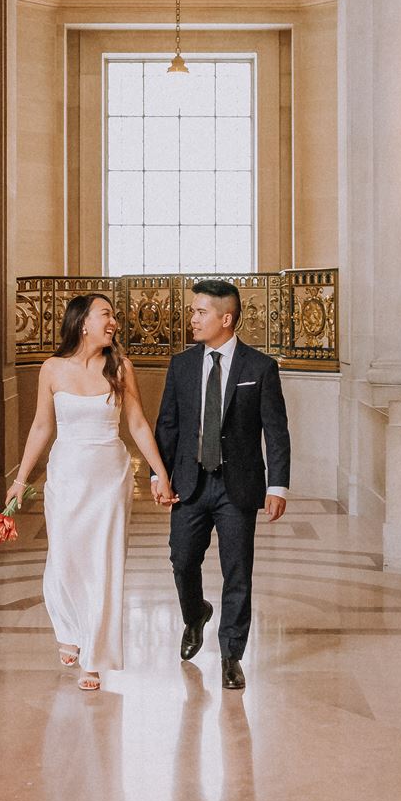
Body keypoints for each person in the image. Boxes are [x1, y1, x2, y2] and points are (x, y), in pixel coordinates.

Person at [5, 291, 172, 692]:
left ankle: (93, 658)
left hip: (109, 478)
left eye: (113, 316)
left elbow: (138, 425)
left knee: (104, 563)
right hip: (65, 476)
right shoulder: (51, 368)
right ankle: (68, 628)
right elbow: (42, 427)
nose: (113, 322)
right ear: (82, 322)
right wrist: (20, 478)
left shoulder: (121, 367)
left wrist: (159, 473)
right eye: (106, 314)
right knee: (63, 557)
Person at [153, 279, 291, 692]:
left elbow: (276, 431)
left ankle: (231, 654)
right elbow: (168, 425)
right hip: (190, 483)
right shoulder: (181, 365)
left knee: (238, 571)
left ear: (225, 319)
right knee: (182, 560)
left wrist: (278, 486)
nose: (192, 318)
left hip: (239, 486)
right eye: (193, 311)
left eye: (200, 312)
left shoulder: (259, 367)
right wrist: (159, 476)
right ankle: (195, 614)